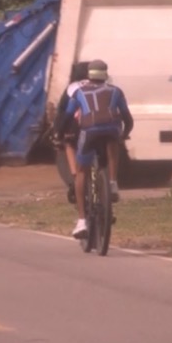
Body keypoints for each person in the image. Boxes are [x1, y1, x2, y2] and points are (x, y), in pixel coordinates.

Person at [54, 59, 133, 239]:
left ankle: (82, 220)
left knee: (81, 171)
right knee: (114, 143)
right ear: (106, 75)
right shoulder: (115, 90)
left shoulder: (77, 91)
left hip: (87, 132)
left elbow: (66, 115)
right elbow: (127, 119)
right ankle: (112, 183)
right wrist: (124, 134)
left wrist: (59, 134)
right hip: (111, 131)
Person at [54, 61, 90, 204]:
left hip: (77, 127)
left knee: (69, 143)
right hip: (100, 125)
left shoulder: (72, 88)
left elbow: (63, 112)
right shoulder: (101, 85)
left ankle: (75, 176)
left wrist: (58, 133)